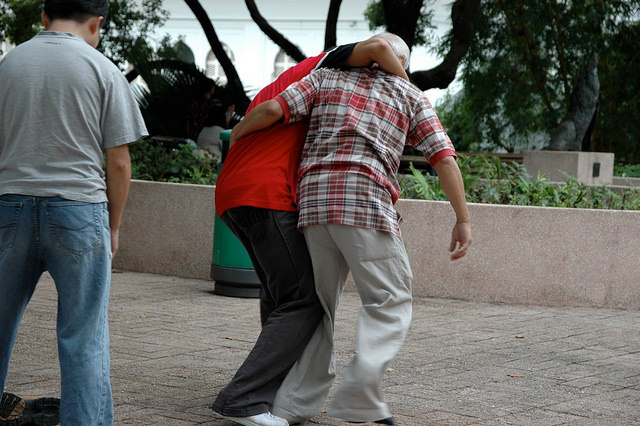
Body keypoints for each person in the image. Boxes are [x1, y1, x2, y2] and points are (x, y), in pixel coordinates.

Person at [228, 33, 472, 425]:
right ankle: (359, 397)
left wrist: (239, 131)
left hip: (313, 206)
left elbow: (274, 108)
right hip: (364, 201)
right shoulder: (410, 95)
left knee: (320, 307)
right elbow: (443, 158)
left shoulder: (327, 78)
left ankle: (291, 407)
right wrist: (463, 218)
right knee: (391, 300)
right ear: (402, 62)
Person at [211, 36, 409, 426]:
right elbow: (381, 48)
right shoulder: (328, 66)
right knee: (304, 300)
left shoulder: (307, 82)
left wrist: (238, 134)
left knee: (279, 296)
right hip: (268, 193)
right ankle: (243, 399)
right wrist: (406, 92)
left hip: (235, 195)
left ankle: (273, 389)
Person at [0, 1, 148, 424]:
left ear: (44, 17)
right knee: (83, 336)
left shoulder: (9, 65)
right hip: (79, 211)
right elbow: (118, 162)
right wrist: (113, 227)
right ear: (97, 22)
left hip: (9, 206)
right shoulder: (102, 68)